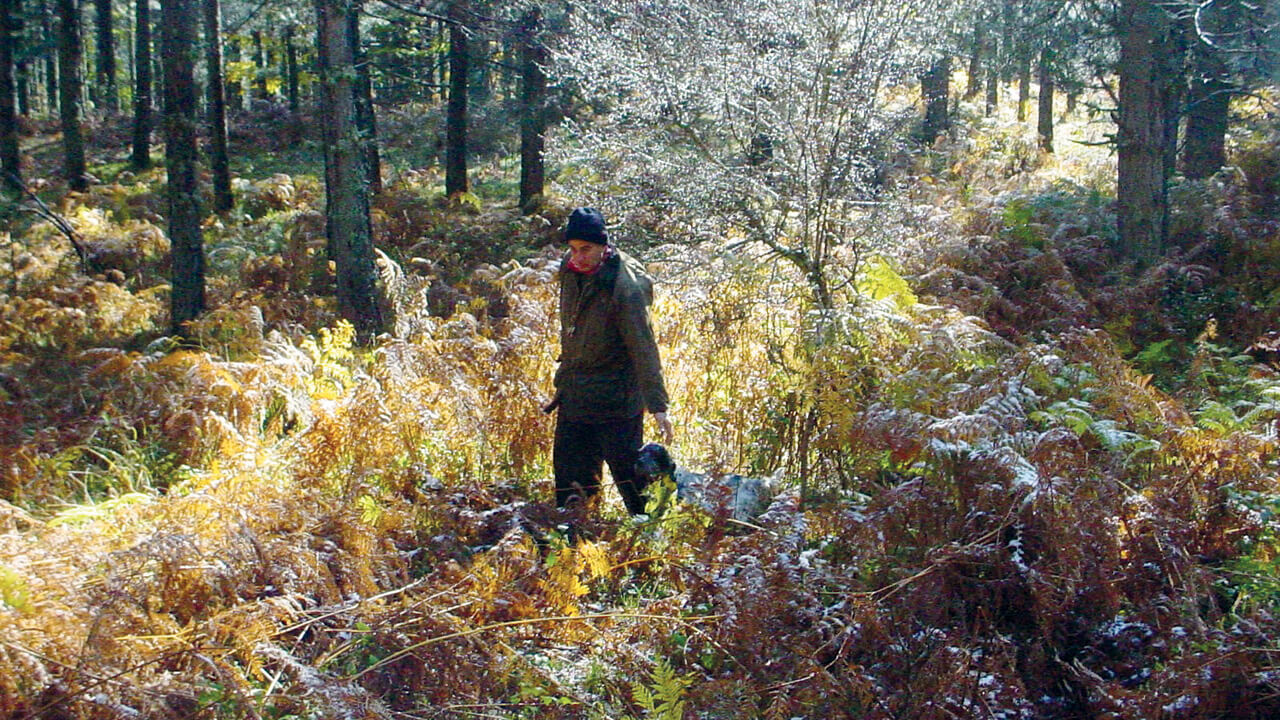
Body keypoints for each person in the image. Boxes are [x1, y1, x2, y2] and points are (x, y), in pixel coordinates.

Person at [543, 207, 674, 515]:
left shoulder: (624, 287)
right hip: (575, 394)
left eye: (586, 249)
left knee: (634, 487)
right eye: (573, 249)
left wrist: (658, 406)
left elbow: (644, 348)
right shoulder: (570, 270)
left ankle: (646, 542)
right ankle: (576, 543)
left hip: (617, 399)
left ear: (603, 246)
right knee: (569, 484)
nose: (578, 256)